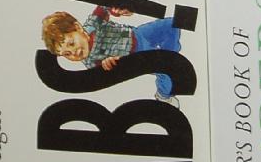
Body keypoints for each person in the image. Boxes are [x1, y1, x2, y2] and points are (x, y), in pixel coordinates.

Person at [42, 7, 179, 102]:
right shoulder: (91, 61)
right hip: (136, 55)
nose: (74, 53)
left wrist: (116, 9)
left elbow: (103, 8)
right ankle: (163, 94)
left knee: (173, 23)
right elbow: (105, 72)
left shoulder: (92, 24)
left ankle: (173, 56)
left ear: (78, 27)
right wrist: (109, 64)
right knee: (166, 68)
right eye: (67, 54)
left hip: (136, 34)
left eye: (72, 43)